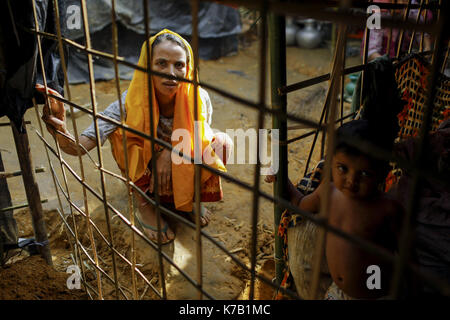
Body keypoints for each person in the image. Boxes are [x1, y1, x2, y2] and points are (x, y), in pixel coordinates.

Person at [40, 29, 233, 245]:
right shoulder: (129, 101)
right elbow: (78, 148)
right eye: (161, 63)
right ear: (147, 66)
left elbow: (201, 134)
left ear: (187, 68)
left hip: (181, 162)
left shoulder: (199, 96)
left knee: (222, 142)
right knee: (122, 135)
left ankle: (189, 198)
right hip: (149, 172)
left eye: (178, 65)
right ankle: (145, 205)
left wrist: (170, 152)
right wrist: (60, 131)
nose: (171, 72)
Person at [266, 120, 404, 299]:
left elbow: (408, 258)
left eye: (364, 173)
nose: (351, 180)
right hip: (336, 292)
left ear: (383, 173)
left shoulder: (387, 209)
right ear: (330, 163)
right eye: (343, 169)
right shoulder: (328, 192)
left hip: (375, 294)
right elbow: (300, 205)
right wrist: (282, 179)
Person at [365, 0, 432, 61]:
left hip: (404, 55)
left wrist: (427, 48)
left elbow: (421, 33)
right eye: (396, 0)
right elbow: (371, 52)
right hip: (382, 58)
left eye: (404, 0)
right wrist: (389, 63)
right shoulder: (378, 14)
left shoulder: (413, 9)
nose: (400, 3)